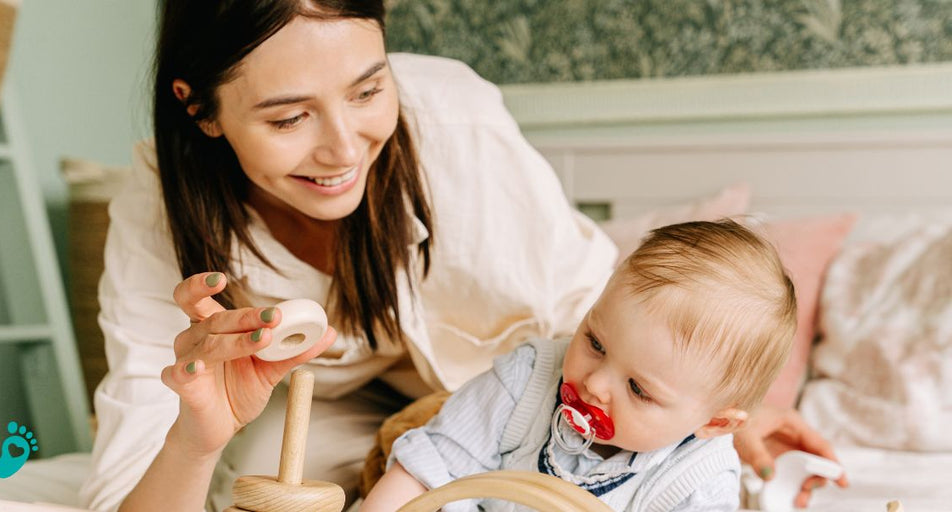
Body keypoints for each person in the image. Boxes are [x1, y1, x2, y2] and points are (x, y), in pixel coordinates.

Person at [81, 1, 846, 511]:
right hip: (380, 420)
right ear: (198, 107)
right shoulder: (164, 212)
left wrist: (687, 409)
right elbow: (129, 482)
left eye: (368, 90)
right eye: (288, 118)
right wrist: (198, 432)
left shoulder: (455, 124)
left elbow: (609, 322)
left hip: (529, 398)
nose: (345, 149)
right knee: (266, 478)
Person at [362, 220, 826, 511]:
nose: (595, 384)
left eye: (639, 390)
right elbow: (423, 470)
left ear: (716, 421)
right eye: (596, 342)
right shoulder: (526, 380)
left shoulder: (697, 480)